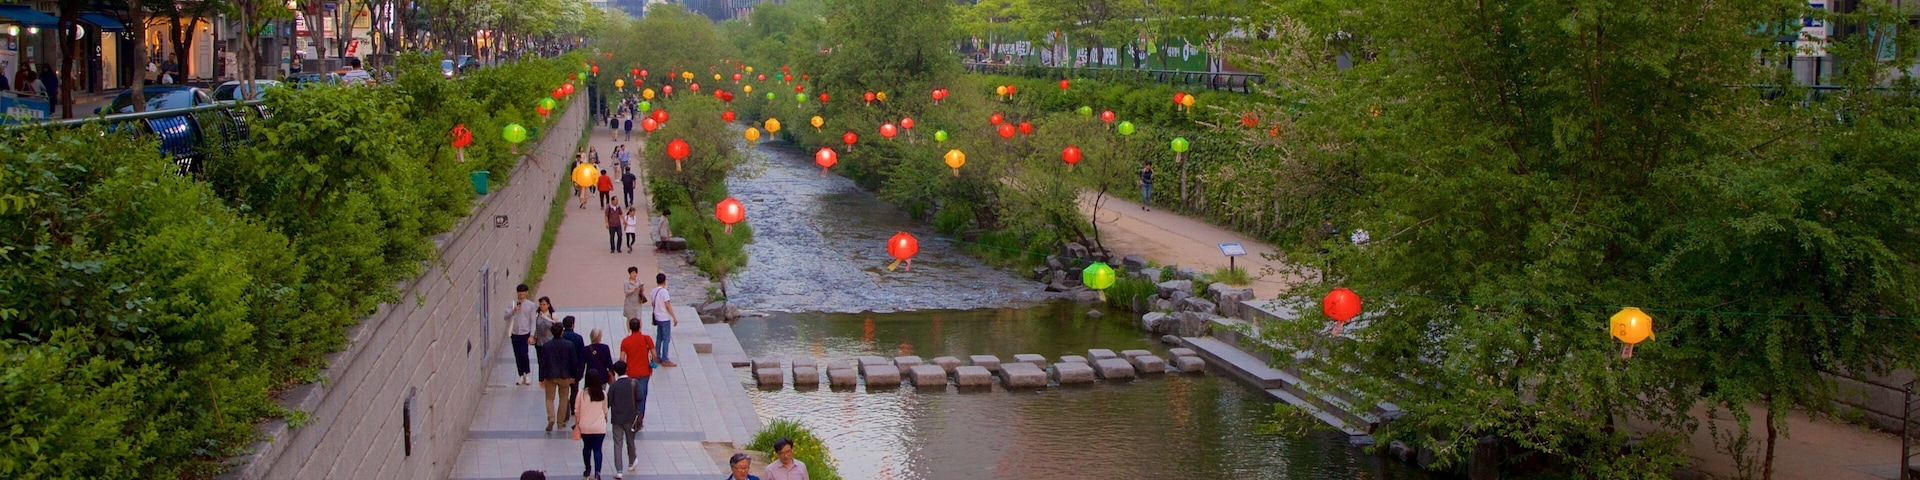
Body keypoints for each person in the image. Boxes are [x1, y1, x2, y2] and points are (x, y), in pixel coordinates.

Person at [537, 324, 579, 431]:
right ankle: (560, 423)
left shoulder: (546, 345)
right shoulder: (569, 345)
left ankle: (551, 418)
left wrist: (541, 378)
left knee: (549, 398)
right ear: (562, 332)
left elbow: (542, 363)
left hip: (550, 375)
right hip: (565, 376)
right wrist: (573, 376)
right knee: (563, 398)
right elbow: (574, 362)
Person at [607, 359, 643, 479]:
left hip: (617, 418)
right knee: (630, 440)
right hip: (630, 417)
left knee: (618, 444)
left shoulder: (613, 386)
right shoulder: (634, 383)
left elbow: (608, 402)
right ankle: (632, 461)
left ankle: (619, 470)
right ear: (626, 369)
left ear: (616, 372)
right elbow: (639, 397)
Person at [573, 369, 610, 480]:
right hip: (599, 427)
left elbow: (576, 410)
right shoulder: (602, 393)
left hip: (585, 426)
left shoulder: (582, 393)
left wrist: (577, 423)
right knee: (598, 449)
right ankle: (597, 472)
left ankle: (587, 469)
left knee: (587, 448)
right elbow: (605, 410)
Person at [616, 318, 654, 423]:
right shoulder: (647, 339)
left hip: (631, 372)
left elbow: (622, 359)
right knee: (642, 394)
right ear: (640, 326)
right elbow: (654, 355)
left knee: (631, 395)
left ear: (630, 327)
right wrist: (652, 363)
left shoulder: (625, 341)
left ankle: (632, 414)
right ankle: (640, 416)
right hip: (644, 372)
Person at [506, 284, 537, 386]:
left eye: (523, 292)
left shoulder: (531, 305)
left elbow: (533, 320)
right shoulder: (512, 303)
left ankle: (526, 374)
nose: (521, 294)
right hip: (515, 332)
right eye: (519, 292)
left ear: (527, 292)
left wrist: (531, 335)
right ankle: (520, 374)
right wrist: (513, 310)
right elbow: (506, 316)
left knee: (524, 353)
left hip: (525, 332)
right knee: (517, 354)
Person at [650, 273, 680, 367]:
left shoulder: (653, 291)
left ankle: (657, 356)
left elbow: (652, 303)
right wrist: (674, 317)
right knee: (666, 338)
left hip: (657, 317)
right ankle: (665, 359)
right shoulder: (664, 292)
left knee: (659, 337)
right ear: (664, 281)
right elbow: (667, 305)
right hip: (664, 318)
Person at [561, 316, 588, 413]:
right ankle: (573, 408)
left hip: (562, 369)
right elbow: (582, 355)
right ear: (573, 325)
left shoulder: (561, 337)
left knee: (563, 391)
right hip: (574, 368)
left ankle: (564, 410)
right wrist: (581, 370)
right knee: (574, 390)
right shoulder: (578, 338)